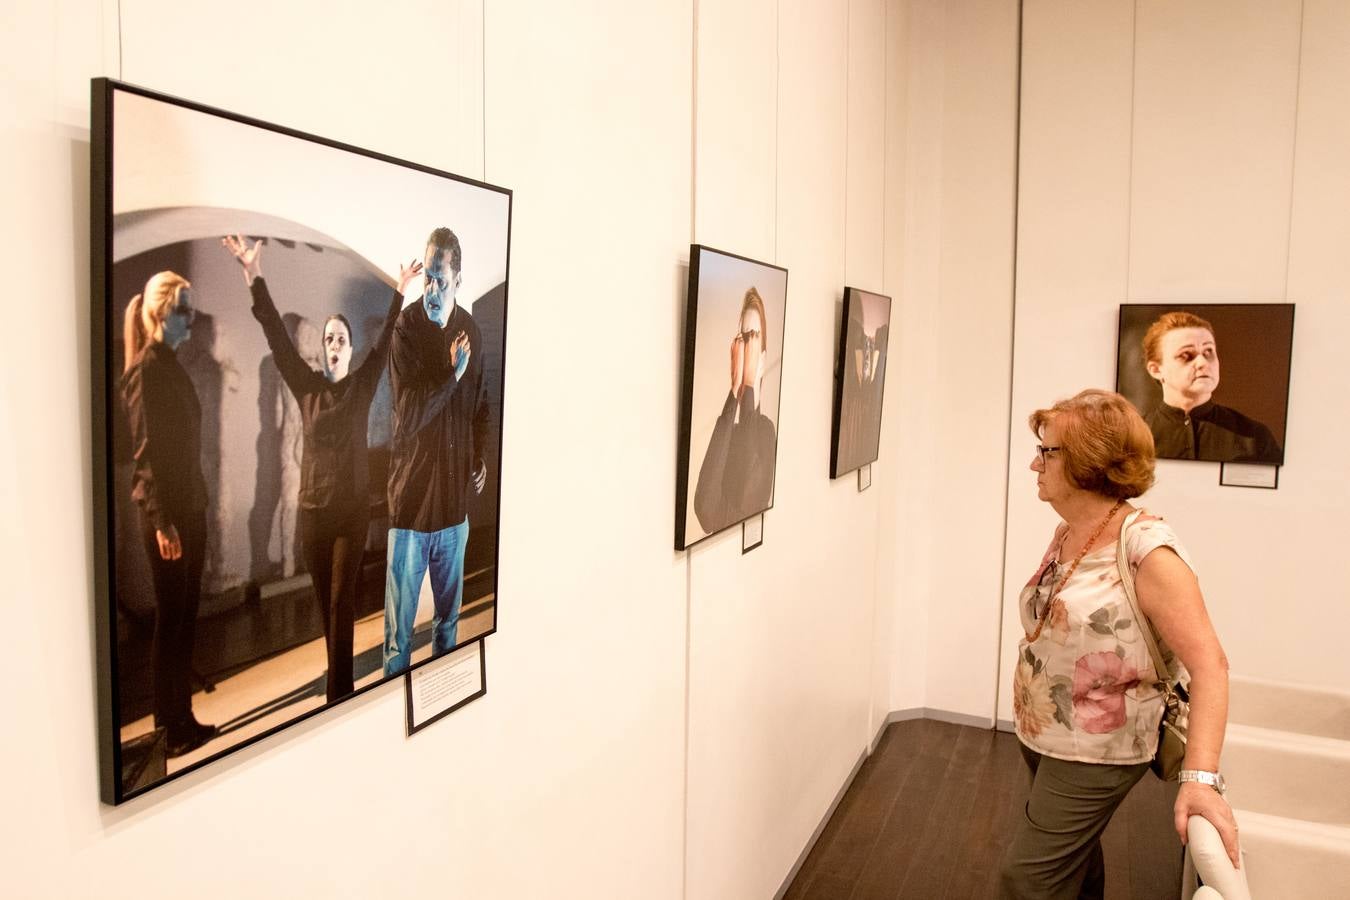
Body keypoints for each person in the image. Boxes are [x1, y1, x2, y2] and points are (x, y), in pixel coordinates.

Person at [1001, 389, 1238, 899]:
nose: (1033, 463)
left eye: (1048, 452)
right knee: (1075, 862)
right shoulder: (1072, 530)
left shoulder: (1149, 551)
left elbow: (1211, 665)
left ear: (1090, 463)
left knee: (1025, 880)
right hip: (1047, 734)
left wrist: (1200, 780)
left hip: (1097, 750)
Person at [222, 236, 418, 700]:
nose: (333, 344)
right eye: (329, 338)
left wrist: (400, 292)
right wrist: (253, 276)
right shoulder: (307, 387)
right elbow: (274, 331)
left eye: (341, 339)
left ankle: (339, 693)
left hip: (350, 515)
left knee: (340, 602)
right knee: (325, 609)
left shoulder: (361, 385)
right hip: (313, 514)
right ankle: (338, 680)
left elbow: (387, 337)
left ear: (350, 350)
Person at [383, 227, 489, 675]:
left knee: (448, 629)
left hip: (453, 512)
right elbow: (408, 419)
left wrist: (478, 454)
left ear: (458, 280)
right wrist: (451, 377)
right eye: (427, 277)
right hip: (411, 512)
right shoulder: (405, 328)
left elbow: (479, 405)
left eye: (440, 280)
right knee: (397, 643)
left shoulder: (471, 331)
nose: (430, 288)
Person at [121, 271, 217, 756]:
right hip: (168, 517)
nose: (192, 319)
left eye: (192, 310)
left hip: (188, 508)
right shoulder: (146, 370)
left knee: (184, 619)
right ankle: (168, 727)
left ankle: (183, 718)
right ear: (161, 314)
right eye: (185, 310)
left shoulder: (170, 365)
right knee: (170, 620)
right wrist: (162, 522)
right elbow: (146, 456)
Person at [1141, 311, 1282, 464]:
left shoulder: (1254, 437)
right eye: (1186, 355)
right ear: (1156, 370)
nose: (1203, 363)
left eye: (1208, 352)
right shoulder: (1134, 436)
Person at [693, 286, 778, 534]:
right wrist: (734, 391)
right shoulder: (730, 430)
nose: (748, 346)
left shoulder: (765, 431)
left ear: (764, 353)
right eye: (743, 337)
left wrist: (750, 386)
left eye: (754, 336)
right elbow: (706, 512)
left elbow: (747, 500)